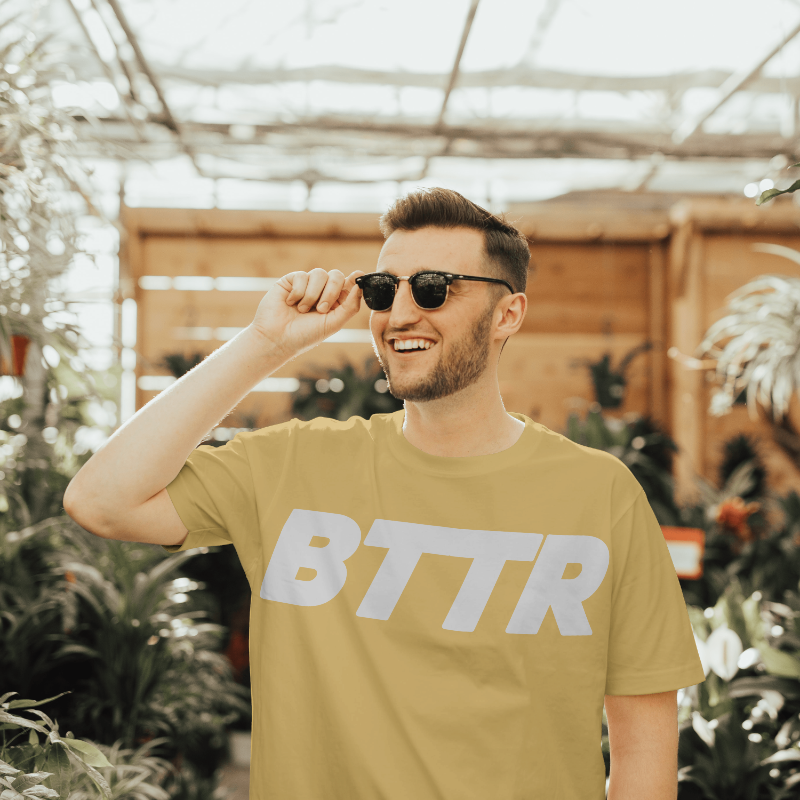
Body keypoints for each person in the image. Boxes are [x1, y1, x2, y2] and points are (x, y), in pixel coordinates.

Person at [64, 187, 705, 800]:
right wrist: (264, 346)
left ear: (508, 314)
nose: (399, 315)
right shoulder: (293, 466)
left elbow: (644, 746)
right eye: (382, 289)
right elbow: (102, 502)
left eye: (433, 288)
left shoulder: (600, 494)